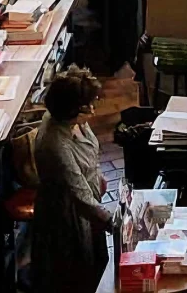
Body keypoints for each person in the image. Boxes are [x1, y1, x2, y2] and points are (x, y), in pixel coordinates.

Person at [31, 67, 115, 293]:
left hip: (87, 208)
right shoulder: (56, 145)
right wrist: (114, 222)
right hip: (68, 217)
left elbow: (89, 154)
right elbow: (79, 194)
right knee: (76, 277)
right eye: (87, 106)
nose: (92, 110)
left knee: (97, 265)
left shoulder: (73, 119)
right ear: (71, 110)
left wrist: (97, 176)